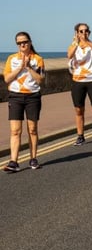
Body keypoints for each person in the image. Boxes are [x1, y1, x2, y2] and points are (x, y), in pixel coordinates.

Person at [3, 32, 45, 172]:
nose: (22, 45)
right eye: (19, 43)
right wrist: (20, 67)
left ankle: (33, 158)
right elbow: (7, 79)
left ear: (30, 42)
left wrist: (28, 67)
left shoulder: (37, 59)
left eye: (25, 42)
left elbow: (40, 80)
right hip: (15, 96)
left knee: (32, 129)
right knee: (15, 131)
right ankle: (14, 162)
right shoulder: (12, 59)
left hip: (32, 97)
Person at [67, 23, 92, 146]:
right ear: (77, 33)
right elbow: (69, 55)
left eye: (86, 31)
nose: (84, 33)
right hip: (78, 81)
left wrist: (87, 40)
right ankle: (80, 136)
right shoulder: (74, 46)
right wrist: (76, 42)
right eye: (81, 31)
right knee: (79, 110)